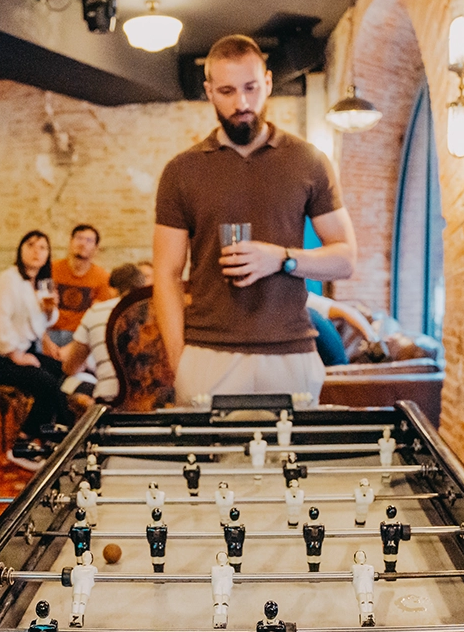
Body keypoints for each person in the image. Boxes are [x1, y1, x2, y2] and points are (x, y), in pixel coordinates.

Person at [153, 34, 357, 405]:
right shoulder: (181, 171)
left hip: (292, 353)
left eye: (250, 88)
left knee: (290, 464)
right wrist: (178, 358)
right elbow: (166, 274)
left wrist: (281, 257)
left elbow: (345, 259)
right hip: (207, 355)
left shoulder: (308, 160)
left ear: (267, 83)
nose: (242, 103)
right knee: (208, 465)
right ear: (209, 92)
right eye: (228, 91)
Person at [0, 230, 74, 470]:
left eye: (43, 247)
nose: (36, 251)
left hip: (23, 351)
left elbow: (43, 322)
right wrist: (15, 355)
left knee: (63, 370)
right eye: (31, 245)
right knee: (47, 384)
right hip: (0, 356)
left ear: (48, 254)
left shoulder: (37, 284)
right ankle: (22, 446)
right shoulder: (9, 279)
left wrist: (49, 310)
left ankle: (53, 436)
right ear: (20, 249)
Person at [60, 262, 145, 404]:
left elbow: (71, 367)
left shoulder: (97, 311)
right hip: (146, 400)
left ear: (112, 289)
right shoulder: (154, 313)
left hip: (109, 401)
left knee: (63, 385)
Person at [49, 223, 114, 346]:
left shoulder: (102, 277)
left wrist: (75, 348)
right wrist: (45, 341)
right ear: (70, 242)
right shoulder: (52, 269)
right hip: (50, 332)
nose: (83, 243)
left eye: (89, 240)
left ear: (96, 247)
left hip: (81, 338)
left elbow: (100, 318)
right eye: (79, 238)